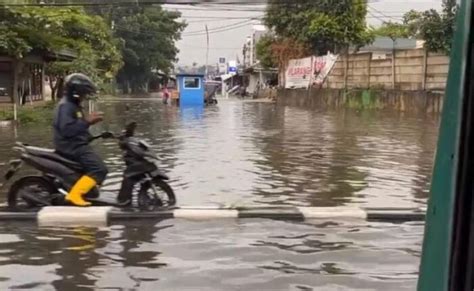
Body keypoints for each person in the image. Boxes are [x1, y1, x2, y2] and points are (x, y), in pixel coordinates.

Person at [53, 73, 108, 206]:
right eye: (83, 93)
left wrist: (92, 132)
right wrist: (87, 121)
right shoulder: (66, 106)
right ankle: (74, 195)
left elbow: (77, 127)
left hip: (75, 144)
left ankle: (82, 190)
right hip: (71, 147)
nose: (84, 97)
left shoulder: (72, 105)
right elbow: (67, 130)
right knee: (99, 169)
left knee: (94, 176)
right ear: (76, 92)